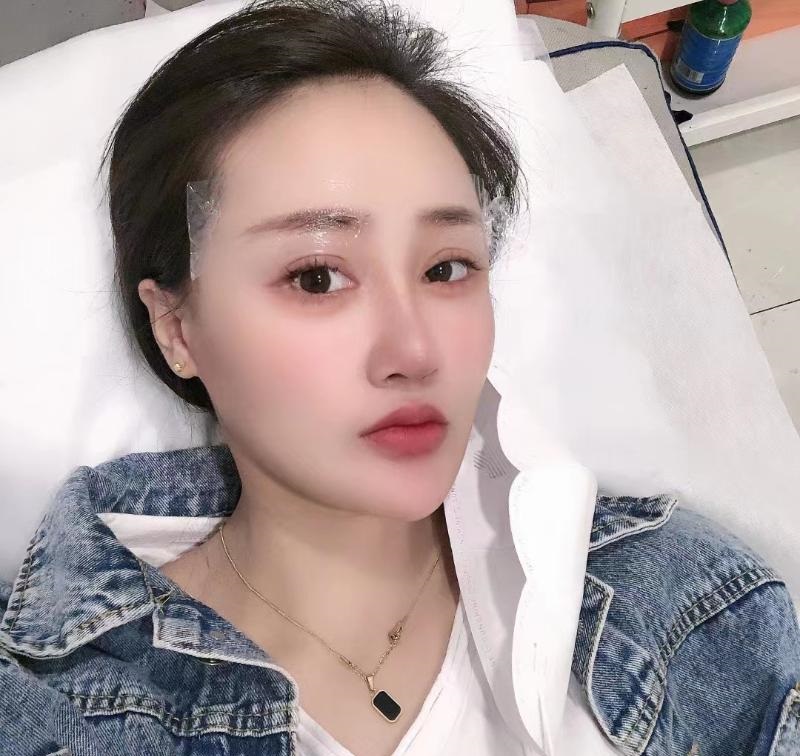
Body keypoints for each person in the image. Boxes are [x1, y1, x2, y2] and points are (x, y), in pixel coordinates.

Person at [1, 1, 799, 755]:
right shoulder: (46, 707)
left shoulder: (689, 602)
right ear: (178, 328)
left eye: (446, 268)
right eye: (317, 277)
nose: (415, 351)